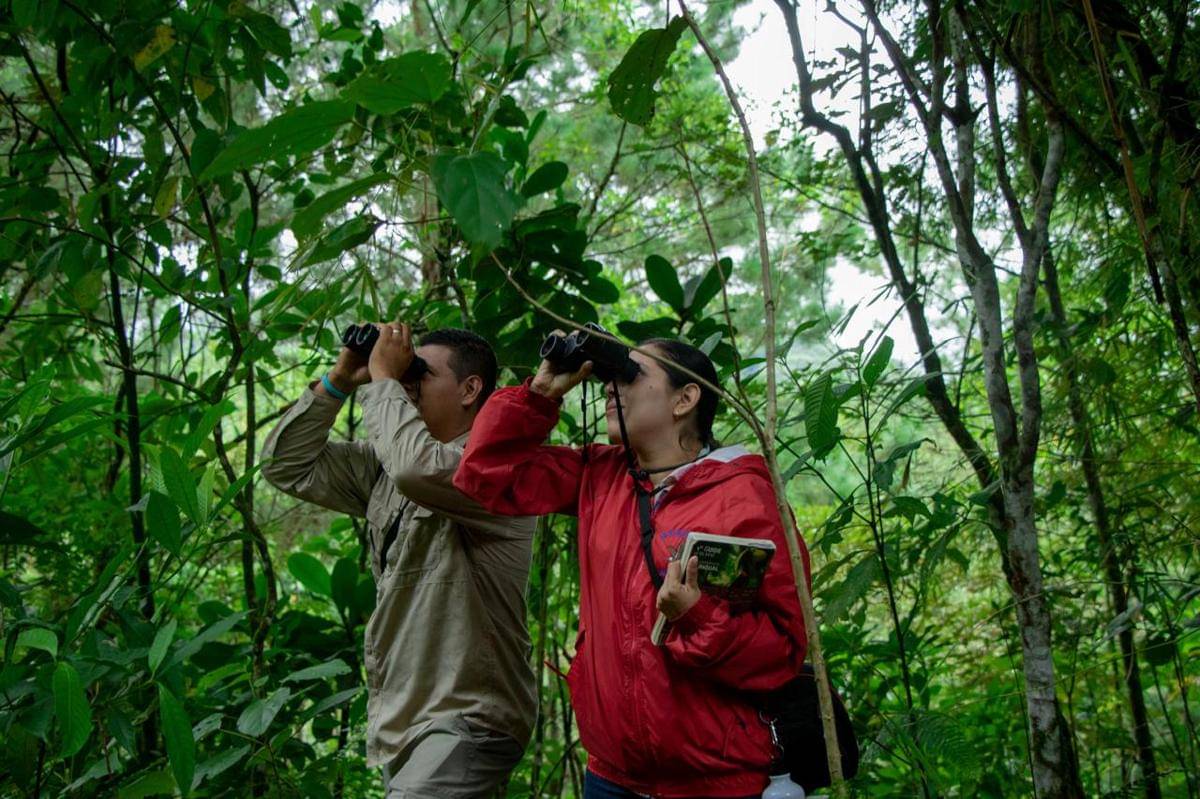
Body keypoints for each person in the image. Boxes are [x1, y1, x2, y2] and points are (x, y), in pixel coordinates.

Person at [453, 335, 811, 798]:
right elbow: (483, 474)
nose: (609, 387)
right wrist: (541, 393)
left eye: (631, 374)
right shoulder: (600, 476)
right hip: (610, 775)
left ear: (685, 398)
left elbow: (782, 651)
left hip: (713, 780)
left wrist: (696, 616)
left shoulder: (743, 497)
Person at [261, 323, 536, 798]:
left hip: (469, 717)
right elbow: (284, 464)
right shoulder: (382, 469)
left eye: (420, 373)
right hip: (406, 720)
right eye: (405, 372)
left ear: (471, 389)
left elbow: (416, 470)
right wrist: (342, 378)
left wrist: (384, 377)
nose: (407, 381)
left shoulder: (496, 469)